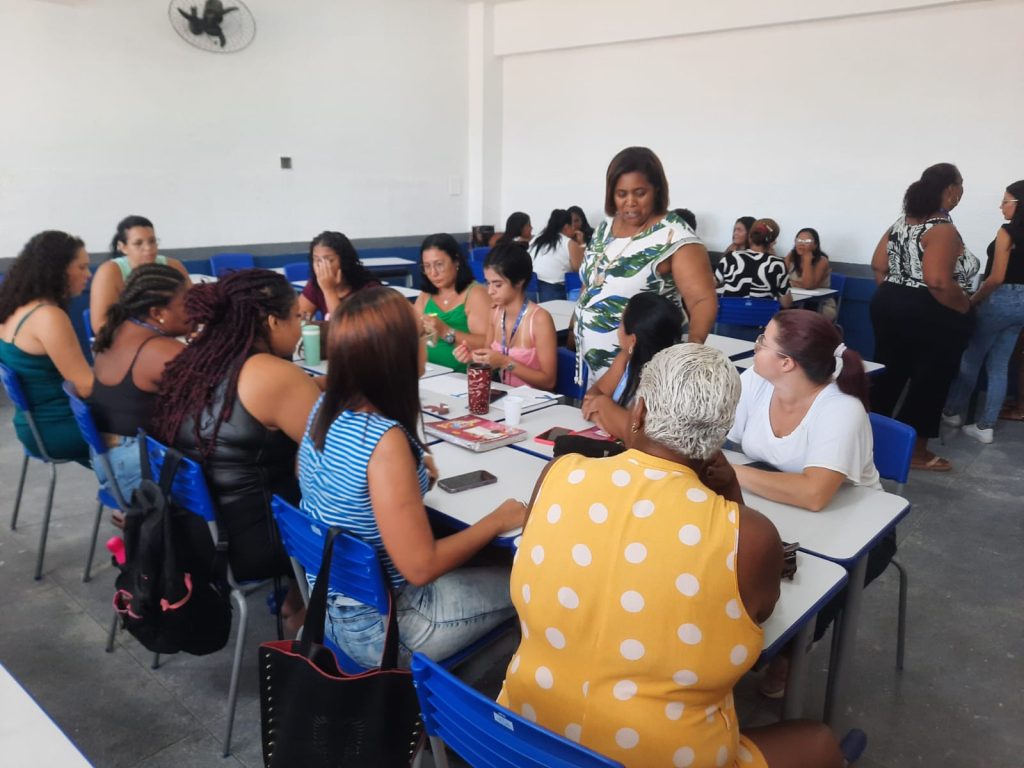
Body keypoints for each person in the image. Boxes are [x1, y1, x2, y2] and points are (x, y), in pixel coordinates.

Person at [498, 343, 845, 768]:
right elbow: (760, 615)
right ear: (721, 436)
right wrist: (731, 494)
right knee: (819, 742)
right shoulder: (751, 536)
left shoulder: (559, 473)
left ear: (638, 413)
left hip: (526, 737)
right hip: (662, 755)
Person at [298, 287, 526, 667]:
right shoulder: (383, 442)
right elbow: (420, 568)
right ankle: (459, 706)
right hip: (385, 627)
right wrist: (498, 520)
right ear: (394, 355)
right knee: (526, 581)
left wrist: (407, 474)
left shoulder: (325, 406)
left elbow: (323, 484)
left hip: (327, 600)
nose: (427, 342)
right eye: (421, 336)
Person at [727, 310, 890, 698]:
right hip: (777, 503)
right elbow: (718, 433)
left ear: (786, 363)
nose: (756, 345)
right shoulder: (756, 382)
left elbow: (815, 494)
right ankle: (744, 641)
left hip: (855, 527)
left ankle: (791, 653)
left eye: (763, 341)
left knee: (814, 585)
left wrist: (733, 474)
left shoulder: (840, 409)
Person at [151, 269, 321, 627]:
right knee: (353, 506)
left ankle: (297, 599)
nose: (299, 325)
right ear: (274, 321)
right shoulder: (274, 374)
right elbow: (336, 455)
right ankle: (319, 618)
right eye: (297, 317)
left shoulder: (198, 360)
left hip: (200, 531)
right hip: (255, 542)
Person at [574, 146, 717, 382]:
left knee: (635, 420)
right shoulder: (604, 229)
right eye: (621, 194)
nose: (630, 202)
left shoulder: (674, 237)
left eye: (640, 193)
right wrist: (575, 326)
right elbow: (592, 282)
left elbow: (702, 300)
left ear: (657, 190)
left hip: (643, 369)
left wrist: (691, 351)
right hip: (594, 368)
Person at [870, 163, 978, 471]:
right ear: (950, 189)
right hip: (932, 310)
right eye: (961, 186)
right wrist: (963, 308)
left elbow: (878, 264)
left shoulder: (902, 222)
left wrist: (898, 295)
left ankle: (869, 441)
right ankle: (916, 453)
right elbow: (938, 281)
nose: (962, 193)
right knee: (930, 382)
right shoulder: (941, 229)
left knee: (889, 375)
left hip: (889, 303)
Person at [89, 264, 192, 499]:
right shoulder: (160, 351)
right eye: (188, 303)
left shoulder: (117, 331)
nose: (194, 311)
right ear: (157, 313)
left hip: (110, 461)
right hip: (139, 472)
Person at [0, 230, 94, 464]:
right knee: (154, 430)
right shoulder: (48, 316)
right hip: (61, 428)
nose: (89, 275)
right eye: (82, 267)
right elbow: (86, 387)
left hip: (32, 426)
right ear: (59, 270)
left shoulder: (14, 309)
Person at [942, 180, 1024, 443]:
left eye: (1006, 200)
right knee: (999, 364)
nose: (1001, 206)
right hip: (1022, 306)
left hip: (999, 300)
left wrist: (974, 300)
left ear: (1019, 205)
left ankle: (952, 412)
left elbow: (996, 277)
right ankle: (985, 426)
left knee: (972, 357)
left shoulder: (1007, 232)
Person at [454, 241, 557, 390]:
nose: (490, 291)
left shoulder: (539, 319)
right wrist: (472, 357)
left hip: (535, 401)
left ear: (519, 282)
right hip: (504, 396)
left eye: (498, 284)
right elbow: (487, 362)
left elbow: (548, 382)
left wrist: (504, 362)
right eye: (487, 283)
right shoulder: (495, 312)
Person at [580, 292, 682, 440]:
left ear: (633, 340)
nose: (618, 329)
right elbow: (594, 395)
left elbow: (643, 435)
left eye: (620, 323)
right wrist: (604, 410)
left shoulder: (670, 379)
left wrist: (604, 407)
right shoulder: (625, 359)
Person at [89, 216, 190, 334]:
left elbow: (193, 305)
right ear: (123, 247)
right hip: (127, 341)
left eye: (152, 241)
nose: (148, 248)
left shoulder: (173, 266)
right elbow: (100, 325)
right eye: (138, 243)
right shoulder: (109, 272)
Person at [414, 233, 490, 373]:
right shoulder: (426, 296)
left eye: (439, 265)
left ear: (456, 261)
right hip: (431, 372)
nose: (433, 273)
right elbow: (412, 333)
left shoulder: (475, 294)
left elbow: (487, 343)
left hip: (464, 378)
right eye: (427, 266)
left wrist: (445, 331)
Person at [297, 230, 380, 320]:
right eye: (317, 260)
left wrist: (329, 290)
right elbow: (297, 320)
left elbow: (343, 328)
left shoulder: (369, 289)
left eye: (329, 260)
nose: (321, 266)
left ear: (344, 261)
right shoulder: (315, 285)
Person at [715, 218, 794, 307]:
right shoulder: (777, 264)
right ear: (773, 241)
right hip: (763, 319)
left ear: (750, 236)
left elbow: (711, 285)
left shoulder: (731, 257)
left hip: (728, 317)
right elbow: (786, 303)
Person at [530, 209, 584, 302]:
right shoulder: (568, 243)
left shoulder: (536, 239)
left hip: (530, 288)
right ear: (566, 227)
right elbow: (578, 269)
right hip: (552, 290)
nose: (575, 229)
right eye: (573, 226)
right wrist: (581, 244)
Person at [785, 228, 837, 321]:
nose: (801, 244)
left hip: (820, 304)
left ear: (815, 245)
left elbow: (808, 286)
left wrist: (807, 261)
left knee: (798, 318)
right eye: (799, 240)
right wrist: (787, 260)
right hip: (794, 301)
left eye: (807, 241)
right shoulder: (791, 257)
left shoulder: (822, 260)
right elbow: (780, 281)